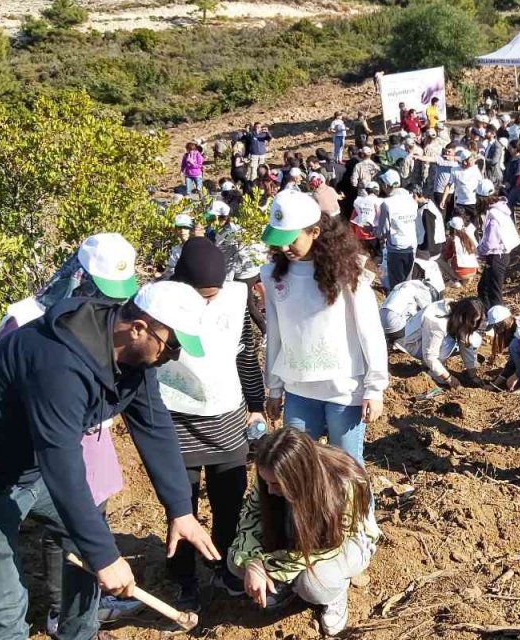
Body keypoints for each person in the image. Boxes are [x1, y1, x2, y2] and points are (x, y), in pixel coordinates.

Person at [0, 276, 217, 640]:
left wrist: (180, 508)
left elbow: (154, 424)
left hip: (29, 470)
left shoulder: (132, 358)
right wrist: (105, 558)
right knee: (4, 609)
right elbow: (61, 463)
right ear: (138, 328)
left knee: (90, 538)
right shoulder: (59, 363)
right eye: (171, 345)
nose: (172, 356)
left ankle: (77, 634)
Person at [0, 233, 150, 633]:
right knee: (59, 517)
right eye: (101, 290)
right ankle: (57, 606)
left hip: (90, 435)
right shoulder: (25, 320)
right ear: (78, 274)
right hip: (43, 442)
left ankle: (83, 610)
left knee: (87, 517)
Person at [158, 238, 264, 611]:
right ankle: (184, 578)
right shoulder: (158, 303)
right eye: (200, 295)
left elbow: (246, 357)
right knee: (181, 506)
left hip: (226, 419)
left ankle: (225, 567)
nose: (207, 302)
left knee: (230, 502)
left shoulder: (235, 300)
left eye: (212, 294)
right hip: (175, 419)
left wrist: (256, 405)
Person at [260, 189, 388, 467]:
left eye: (291, 240)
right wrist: (274, 389)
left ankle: (361, 513)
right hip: (298, 389)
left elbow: (370, 331)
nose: (283, 248)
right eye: (278, 241)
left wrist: (374, 388)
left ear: (314, 232)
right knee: (296, 470)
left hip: (344, 389)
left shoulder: (347, 272)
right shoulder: (272, 276)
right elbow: (276, 334)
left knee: (347, 467)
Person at [227, 429, 379, 636]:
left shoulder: (343, 482)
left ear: (299, 476)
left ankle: (334, 594)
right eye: (266, 482)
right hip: (296, 536)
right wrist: (252, 561)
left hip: (344, 544)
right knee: (235, 562)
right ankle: (288, 583)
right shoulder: (270, 471)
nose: (269, 490)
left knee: (313, 585)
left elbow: (331, 546)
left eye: (276, 484)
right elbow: (251, 514)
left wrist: (266, 565)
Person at [395, 297, 485, 389]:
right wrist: (449, 379)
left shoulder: (457, 312)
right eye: (472, 321)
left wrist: (473, 375)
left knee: (473, 340)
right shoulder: (437, 322)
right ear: (463, 316)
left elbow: (466, 341)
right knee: (449, 342)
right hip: (412, 344)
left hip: (426, 339)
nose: (474, 325)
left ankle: (436, 368)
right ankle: (433, 372)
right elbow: (430, 356)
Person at [476, 179, 520, 309]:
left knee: (494, 293)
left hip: (497, 257)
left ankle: (498, 321)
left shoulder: (493, 215)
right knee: (483, 288)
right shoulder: (501, 208)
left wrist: (478, 251)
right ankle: (485, 313)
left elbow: (490, 243)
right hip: (501, 255)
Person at [374, 170, 418, 291]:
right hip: (411, 245)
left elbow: (383, 231)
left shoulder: (387, 204)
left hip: (396, 248)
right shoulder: (411, 199)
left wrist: (373, 231)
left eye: (382, 183)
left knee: (397, 286)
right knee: (407, 281)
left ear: (387, 185)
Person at [489, 305, 520, 392]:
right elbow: (513, 362)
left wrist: (516, 376)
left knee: (514, 345)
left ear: (504, 322)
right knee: (514, 346)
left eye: (496, 326)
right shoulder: (512, 329)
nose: (495, 330)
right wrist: (494, 384)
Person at [442, 216, 480, 286]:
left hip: (461, 273)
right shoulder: (468, 234)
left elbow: (446, 255)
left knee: (445, 262)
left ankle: (454, 281)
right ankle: (467, 277)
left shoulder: (452, 239)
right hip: (473, 269)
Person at [164, 214, 196, 278]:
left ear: (191, 230)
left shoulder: (199, 247)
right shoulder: (176, 250)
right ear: (175, 230)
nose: (182, 231)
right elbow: (170, 271)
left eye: (186, 228)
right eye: (180, 228)